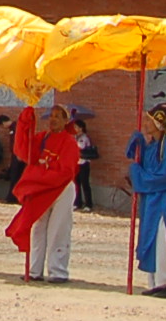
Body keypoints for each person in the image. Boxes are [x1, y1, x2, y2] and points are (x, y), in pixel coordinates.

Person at [6, 103, 81, 282]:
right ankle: (34, 269)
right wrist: (25, 121)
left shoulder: (69, 142)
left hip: (60, 188)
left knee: (58, 229)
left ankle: (58, 271)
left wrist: (40, 175)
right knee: (38, 228)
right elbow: (24, 151)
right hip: (42, 187)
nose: (53, 119)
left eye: (58, 116)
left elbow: (66, 171)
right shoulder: (42, 138)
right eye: (51, 115)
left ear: (65, 121)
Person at [129, 101, 166, 298]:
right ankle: (156, 281)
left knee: (161, 238)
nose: (145, 123)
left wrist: (139, 177)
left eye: (150, 120)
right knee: (151, 238)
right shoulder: (154, 146)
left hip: (162, 199)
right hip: (151, 200)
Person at [74, 119, 99, 210]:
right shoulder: (75, 137)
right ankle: (78, 202)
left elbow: (81, 147)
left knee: (85, 183)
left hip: (84, 163)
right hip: (76, 163)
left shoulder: (84, 138)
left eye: (76, 127)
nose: (75, 129)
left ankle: (88, 204)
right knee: (77, 184)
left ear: (81, 128)